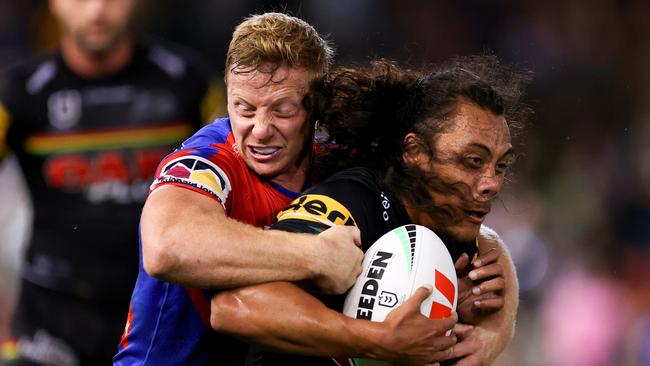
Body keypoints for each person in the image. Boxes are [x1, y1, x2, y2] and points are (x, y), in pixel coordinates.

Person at [114, 12, 471, 366]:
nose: (260, 129)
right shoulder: (206, 161)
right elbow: (166, 249)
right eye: (244, 108)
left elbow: (462, 218)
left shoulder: (338, 160)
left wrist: (493, 331)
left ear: (315, 106)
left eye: (282, 111)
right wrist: (314, 255)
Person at [209, 56, 529, 365]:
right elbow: (233, 307)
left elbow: (491, 241)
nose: (492, 183)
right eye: (473, 161)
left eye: (500, 166)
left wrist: (485, 329)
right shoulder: (350, 202)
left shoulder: (456, 227)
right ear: (414, 152)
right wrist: (379, 339)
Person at [0, 0, 219, 364]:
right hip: (49, 321)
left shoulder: (190, 83)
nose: (97, 11)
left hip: (162, 312)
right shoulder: (18, 92)